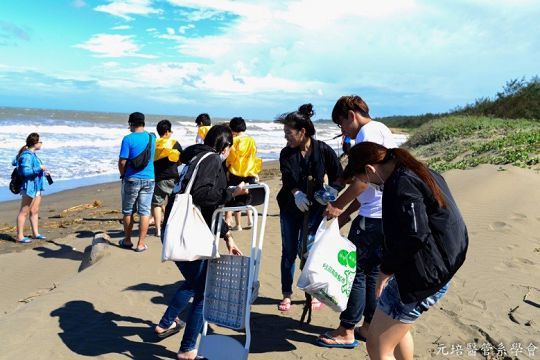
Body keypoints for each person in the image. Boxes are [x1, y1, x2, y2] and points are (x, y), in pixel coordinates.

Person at [343, 142, 468, 360]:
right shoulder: (418, 170)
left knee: (377, 346)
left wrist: (386, 270)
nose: (370, 185)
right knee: (398, 329)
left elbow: (414, 234)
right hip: (445, 263)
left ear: (370, 169)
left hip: (423, 275)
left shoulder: (400, 184)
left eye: (365, 180)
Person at [155, 125, 247, 360]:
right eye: (229, 148)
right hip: (188, 232)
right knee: (203, 291)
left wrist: (227, 236)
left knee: (194, 282)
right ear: (224, 146)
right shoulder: (212, 159)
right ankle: (187, 349)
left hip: (175, 227)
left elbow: (204, 204)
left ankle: (166, 323)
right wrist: (232, 194)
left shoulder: (193, 157)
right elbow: (204, 196)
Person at [318, 95, 397, 347]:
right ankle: (368, 326)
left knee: (355, 273)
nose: (343, 131)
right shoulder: (383, 129)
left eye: (341, 125)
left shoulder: (366, 135)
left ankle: (346, 330)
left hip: (372, 219)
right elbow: (369, 187)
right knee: (373, 273)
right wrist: (345, 211)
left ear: (351, 115)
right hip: (385, 214)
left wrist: (338, 206)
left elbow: (362, 182)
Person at [276, 103, 343, 312]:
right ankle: (287, 294)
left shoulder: (323, 150)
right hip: (290, 207)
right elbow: (287, 179)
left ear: (302, 132)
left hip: (315, 209)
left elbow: (338, 175)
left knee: (308, 251)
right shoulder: (286, 153)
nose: (286, 137)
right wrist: (296, 193)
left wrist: (330, 194)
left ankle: (313, 292)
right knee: (289, 251)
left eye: (289, 132)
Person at [118, 112, 156, 252]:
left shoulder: (128, 139)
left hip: (132, 178)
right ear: (144, 123)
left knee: (128, 211)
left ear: (131, 124)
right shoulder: (152, 138)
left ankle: (127, 240)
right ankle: (141, 244)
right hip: (149, 178)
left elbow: (122, 161)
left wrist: (123, 175)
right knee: (144, 212)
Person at [224, 116, 262, 231]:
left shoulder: (234, 141)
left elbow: (230, 158)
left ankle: (238, 224)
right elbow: (254, 154)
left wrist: (226, 166)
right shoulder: (251, 140)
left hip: (237, 172)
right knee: (245, 197)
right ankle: (247, 221)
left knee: (235, 197)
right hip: (250, 172)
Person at [13, 133, 48, 243]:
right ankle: (20, 236)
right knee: (24, 211)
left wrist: (43, 172)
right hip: (28, 187)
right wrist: (39, 168)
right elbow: (25, 172)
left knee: (34, 210)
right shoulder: (26, 156)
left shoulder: (33, 155)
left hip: (36, 186)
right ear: (35, 143)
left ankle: (36, 233)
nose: (41, 143)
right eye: (40, 141)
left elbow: (34, 170)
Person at [152, 119, 182, 238]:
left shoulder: (154, 143)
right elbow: (182, 158)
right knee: (173, 203)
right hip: (173, 177)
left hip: (159, 177)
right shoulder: (174, 143)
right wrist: (176, 164)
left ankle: (158, 229)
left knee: (157, 203)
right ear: (167, 131)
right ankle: (172, 226)